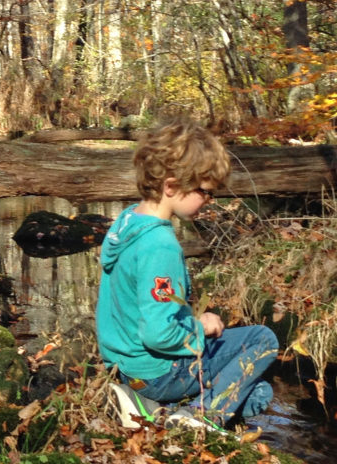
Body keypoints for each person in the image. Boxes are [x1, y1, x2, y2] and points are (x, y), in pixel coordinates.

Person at [96, 118, 278, 431]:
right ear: (171, 186)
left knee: (260, 393)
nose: (209, 202)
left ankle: (150, 407)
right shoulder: (160, 246)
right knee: (263, 339)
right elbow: (158, 334)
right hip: (157, 372)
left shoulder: (127, 222)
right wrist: (200, 327)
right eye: (205, 192)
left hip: (127, 368)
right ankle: (200, 419)